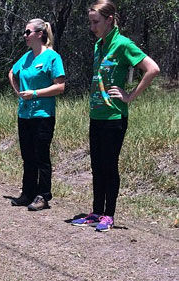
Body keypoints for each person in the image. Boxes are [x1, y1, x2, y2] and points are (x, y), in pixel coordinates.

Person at [71, 0, 160, 231]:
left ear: (109, 20)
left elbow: (153, 69)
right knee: (97, 166)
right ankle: (96, 211)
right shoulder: (99, 45)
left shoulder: (122, 44)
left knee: (109, 166)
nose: (92, 27)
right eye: (90, 22)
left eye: (96, 22)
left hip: (114, 117)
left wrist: (129, 95)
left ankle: (109, 215)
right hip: (96, 115)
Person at [8, 18, 65, 211]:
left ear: (40, 34)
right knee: (27, 156)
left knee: (41, 156)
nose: (24, 36)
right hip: (24, 115)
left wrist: (34, 93)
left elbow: (60, 86)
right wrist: (18, 92)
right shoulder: (26, 58)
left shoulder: (52, 57)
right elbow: (11, 73)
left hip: (43, 115)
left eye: (27, 32)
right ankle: (28, 193)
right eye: (24, 32)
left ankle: (43, 196)